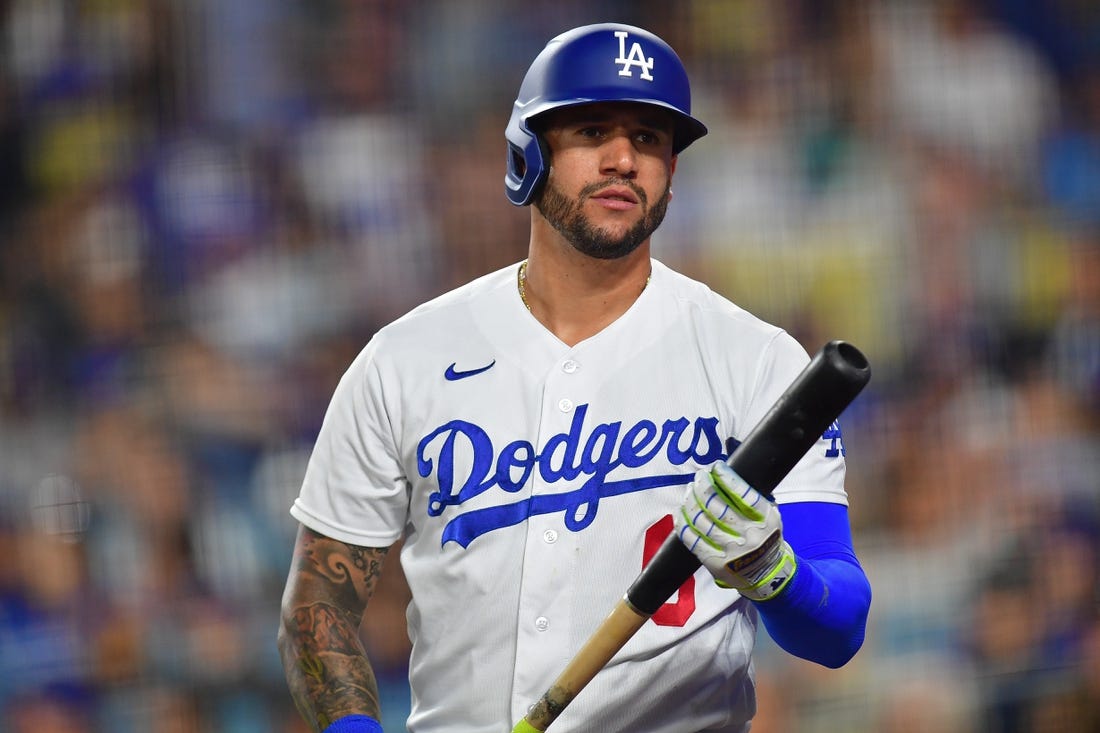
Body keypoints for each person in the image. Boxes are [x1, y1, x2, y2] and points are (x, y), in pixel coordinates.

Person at [278, 23, 872, 733]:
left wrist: (771, 568)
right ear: (529, 154)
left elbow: (838, 628)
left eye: (650, 139)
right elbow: (317, 608)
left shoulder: (756, 360)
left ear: (672, 172)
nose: (624, 158)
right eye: (593, 131)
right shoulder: (402, 360)